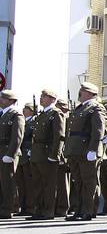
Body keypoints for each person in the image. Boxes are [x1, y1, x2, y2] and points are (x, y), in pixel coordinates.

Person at [64, 82, 106, 222]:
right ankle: (79, 210)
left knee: (89, 182)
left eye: (82, 90)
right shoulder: (80, 107)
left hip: (86, 149)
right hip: (75, 150)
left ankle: (88, 210)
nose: (80, 92)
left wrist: (93, 149)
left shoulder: (95, 107)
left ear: (89, 93)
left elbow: (98, 130)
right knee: (78, 182)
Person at [28, 89, 67, 221]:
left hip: (47, 153)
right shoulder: (41, 114)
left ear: (52, 99)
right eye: (42, 96)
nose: (42, 98)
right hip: (37, 153)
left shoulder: (56, 113)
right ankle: (39, 209)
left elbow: (59, 136)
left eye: (45, 96)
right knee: (37, 184)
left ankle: (48, 211)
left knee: (49, 184)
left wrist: (54, 154)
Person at [0, 89, 24, 218]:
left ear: (11, 101)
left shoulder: (16, 115)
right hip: (1, 151)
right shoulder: (3, 114)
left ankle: (6, 209)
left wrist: (11, 154)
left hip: (7, 152)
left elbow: (17, 137)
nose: (1, 100)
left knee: (7, 182)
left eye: (4, 98)